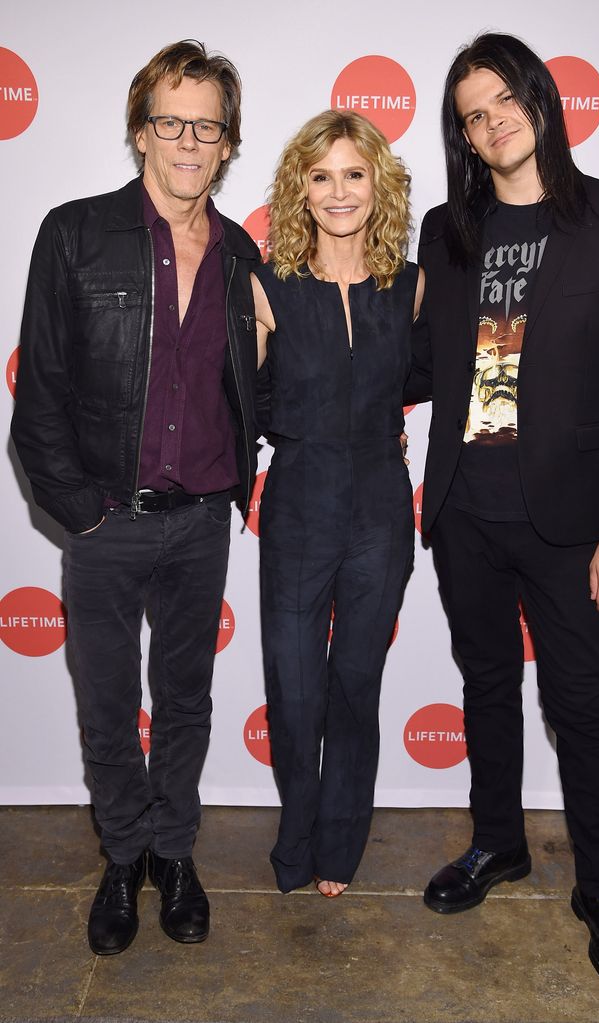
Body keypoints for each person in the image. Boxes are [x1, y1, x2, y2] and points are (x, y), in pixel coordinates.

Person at [406, 33, 599, 991]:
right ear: (465, 136)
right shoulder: (446, 230)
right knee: (484, 686)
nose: (492, 120)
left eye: (503, 98)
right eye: (472, 114)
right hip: (466, 513)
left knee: (577, 707)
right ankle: (496, 844)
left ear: (540, 98)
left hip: (573, 524)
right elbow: (419, 365)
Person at [11, 40, 259, 955]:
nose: (189, 140)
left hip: (201, 523)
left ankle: (174, 852)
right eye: (171, 120)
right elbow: (37, 397)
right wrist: (81, 511)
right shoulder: (75, 232)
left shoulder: (241, 254)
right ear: (140, 130)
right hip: (106, 519)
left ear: (228, 142)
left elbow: (254, 384)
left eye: (207, 124)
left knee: (186, 701)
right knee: (108, 705)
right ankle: (122, 858)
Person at [252, 110, 423, 897]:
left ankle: (339, 847)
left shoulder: (412, 283)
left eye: (354, 174)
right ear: (300, 189)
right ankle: (295, 839)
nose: (339, 191)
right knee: (293, 685)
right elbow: (241, 396)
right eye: (321, 176)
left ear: (377, 183)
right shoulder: (267, 284)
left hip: (382, 506)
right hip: (297, 500)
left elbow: (427, 382)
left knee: (355, 680)